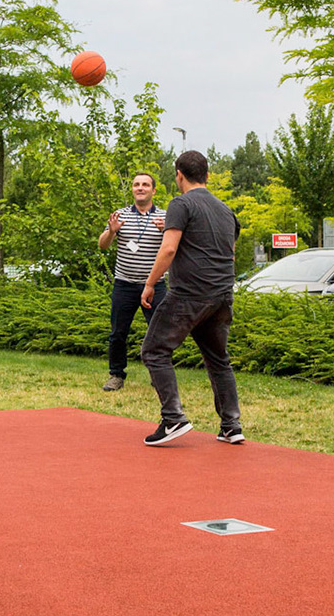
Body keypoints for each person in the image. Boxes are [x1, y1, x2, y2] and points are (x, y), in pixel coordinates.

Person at [136, 150, 243, 447]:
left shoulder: (180, 204)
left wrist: (149, 284)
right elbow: (229, 251)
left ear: (179, 175)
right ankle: (231, 426)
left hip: (189, 294)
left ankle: (173, 418)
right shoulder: (225, 210)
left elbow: (169, 249)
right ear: (207, 175)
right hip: (221, 296)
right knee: (218, 360)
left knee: (154, 351)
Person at [96, 171, 165, 392]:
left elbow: (176, 248)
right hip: (124, 284)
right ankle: (116, 375)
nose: (140, 188)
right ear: (133, 189)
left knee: (159, 333)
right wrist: (112, 232)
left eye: (145, 184)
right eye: (136, 184)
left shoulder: (166, 216)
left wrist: (166, 231)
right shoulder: (120, 215)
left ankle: (159, 377)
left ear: (153, 190)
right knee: (118, 333)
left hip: (154, 286)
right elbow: (102, 245)